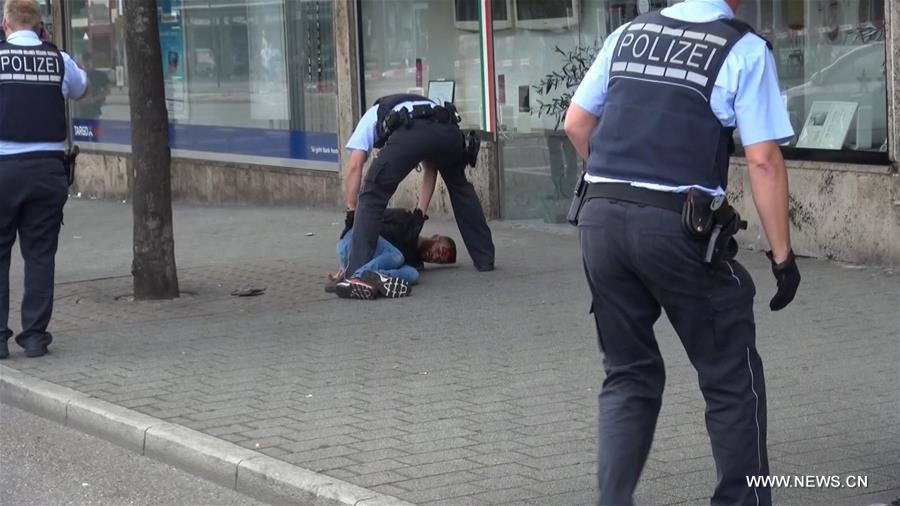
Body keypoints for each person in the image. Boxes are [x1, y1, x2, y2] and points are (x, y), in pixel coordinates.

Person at [563, 0, 801, 504]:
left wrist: (617, 185)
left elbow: (576, 124)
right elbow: (762, 160)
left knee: (628, 374)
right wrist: (783, 256)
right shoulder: (743, 47)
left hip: (599, 219)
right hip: (677, 226)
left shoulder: (629, 34)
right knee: (730, 375)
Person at [0, 0, 88, 359]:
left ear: (5, 24)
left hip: (3, 168)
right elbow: (80, 88)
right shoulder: (58, 59)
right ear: (40, 27)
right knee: (40, 256)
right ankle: (35, 337)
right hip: (48, 171)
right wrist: (52, 46)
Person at [340, 93, 495, 296]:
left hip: (410, 134)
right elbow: (432, 166)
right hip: (448, 132)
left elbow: (355, 165)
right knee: (460, 187)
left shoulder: (371, 116)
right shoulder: (425, 105)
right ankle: (484, 258)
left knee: (372, 196)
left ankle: (355, 274)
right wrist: (419, 213)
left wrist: (351, 209)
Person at [327, 207, 458, 300]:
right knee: (397, 257)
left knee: (413, 274)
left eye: (438, 260)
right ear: (436, 237)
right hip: (355, 240)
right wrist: (347, 261)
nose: (435, 257)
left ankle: (371, 278)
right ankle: (356, 277)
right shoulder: (407, 221)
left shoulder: (416, 263)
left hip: (366, 262)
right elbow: (366, 217)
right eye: (440, 251)